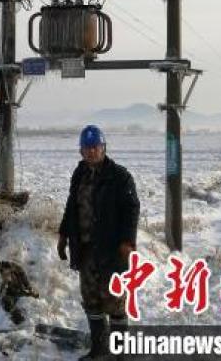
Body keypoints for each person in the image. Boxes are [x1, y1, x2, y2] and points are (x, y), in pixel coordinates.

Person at [57, 125, 140, 360]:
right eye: (87, 148)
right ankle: (98, 349)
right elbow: (71, 206)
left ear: (103, 148)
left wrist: (127, 241)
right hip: (85, 250)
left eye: (96, 147)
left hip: (112, 251)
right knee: (91, 300)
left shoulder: (120, 176)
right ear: (81, 151)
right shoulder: (79, 174)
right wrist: (64, 235)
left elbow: (131, 209)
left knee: (115, 302)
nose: (91, 152)